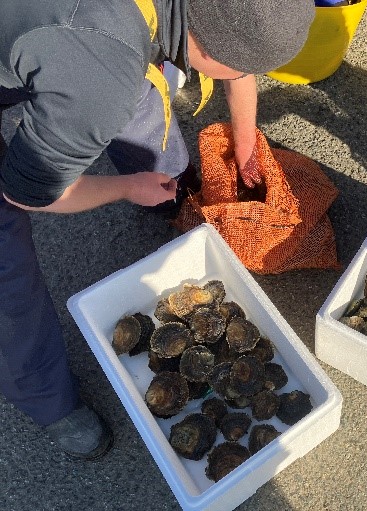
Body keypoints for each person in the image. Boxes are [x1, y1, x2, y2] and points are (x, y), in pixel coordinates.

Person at [0, 0, 314, 460]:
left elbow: (231, 58)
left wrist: (246, 144)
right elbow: (28, 193)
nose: (244, 74)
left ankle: (168, 186)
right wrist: (126, 187)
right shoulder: (102, 69)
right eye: (241, 66)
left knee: (139, 84)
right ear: (212, 46)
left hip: (64, 36)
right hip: (71, 45)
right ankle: (48, 399)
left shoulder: (184, 22)